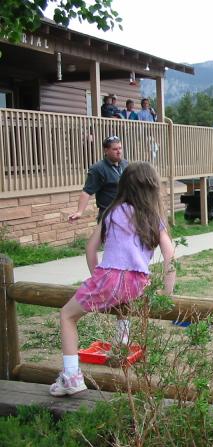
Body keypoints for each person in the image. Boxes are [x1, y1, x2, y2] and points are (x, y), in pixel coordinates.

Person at [49, 162, 176, 397]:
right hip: (139, 282)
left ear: (123, 185)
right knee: (122, 302)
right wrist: (168, 292)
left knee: (67, 315)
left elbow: (90, 249)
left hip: (110, 276)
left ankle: (71, 377)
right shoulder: (153, 216)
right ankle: (121, 345)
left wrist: (98, 277)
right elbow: (170, 254)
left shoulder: (112, 211)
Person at [69, 136, 128, 222]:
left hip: (126, 213)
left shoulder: (125, 164)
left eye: (120, 148)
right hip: (109, 215)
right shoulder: (98, 168)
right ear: (106, 151)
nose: (119, 152)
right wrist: (79, 212)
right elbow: (86, 192)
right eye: (115, 149)